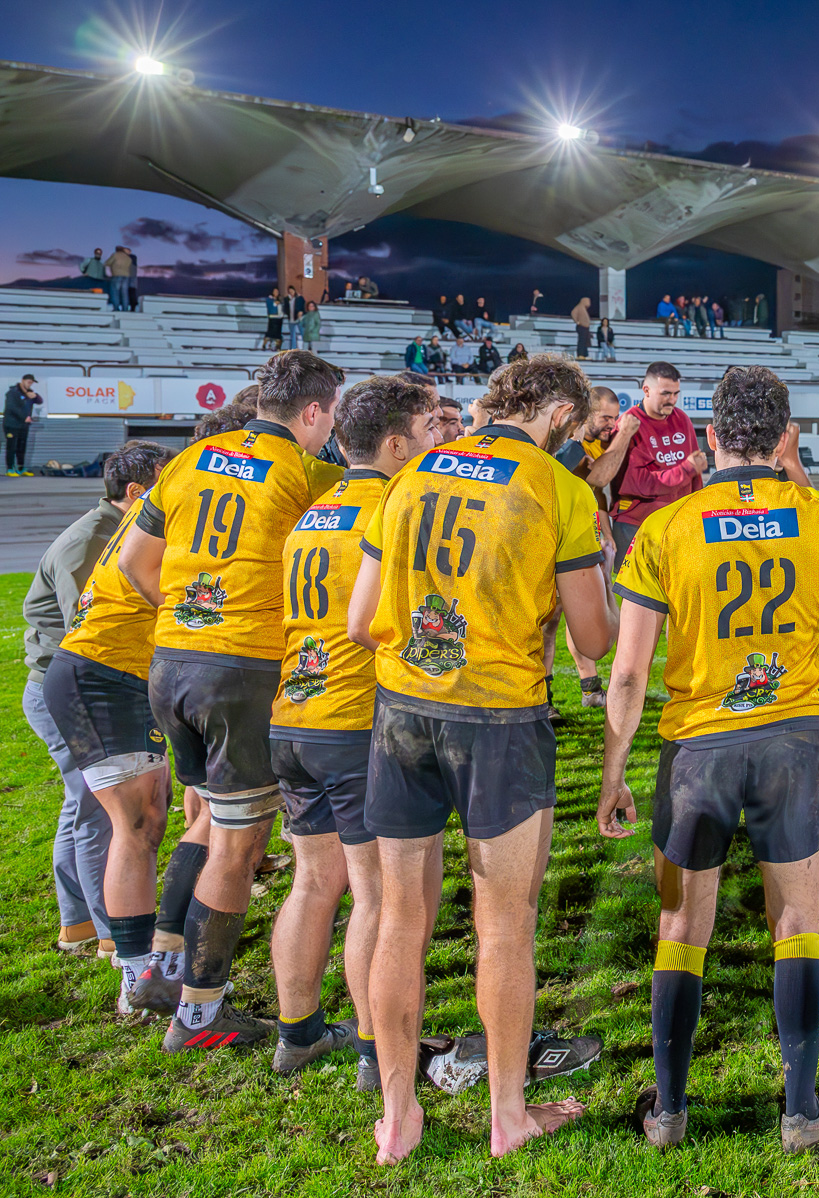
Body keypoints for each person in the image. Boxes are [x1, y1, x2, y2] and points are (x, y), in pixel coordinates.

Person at [349, 354, 613, 1163]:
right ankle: (507, 1114)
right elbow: (593, 638)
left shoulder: (414, 472)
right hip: (498, 715)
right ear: (561, 417)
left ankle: (398, 1115)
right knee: (505, 925)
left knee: (399, 915)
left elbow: (362, 622)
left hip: (402, 709)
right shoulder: (559, 487)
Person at [599, 365, 819, 1152]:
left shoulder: (668, 528)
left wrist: (613, 773)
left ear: (711, 436)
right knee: (798, 920)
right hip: (790, 739)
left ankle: (670, 1112)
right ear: (784, 436)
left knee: (681, 922)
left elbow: (629, 671)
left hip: (696, 747)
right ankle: (802, 1111)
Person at [115, 350, 346, 1048]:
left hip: (172, 662)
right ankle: (200, 1014)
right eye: (328, 413)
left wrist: (190, 622)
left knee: (210, 824)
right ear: (314, 412)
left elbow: (133, 563)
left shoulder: (193, 459)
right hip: (240, 669)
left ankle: (165, 963)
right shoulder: (307, 474)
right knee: (238, 849)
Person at [268, 376, 439, 1088]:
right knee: (378, 897)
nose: (440, 442)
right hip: (352, 721)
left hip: (293, 712)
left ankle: (298, 1031)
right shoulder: (395, 506)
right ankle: (378, 1051)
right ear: (395, 444)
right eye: (430, 430)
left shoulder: (319, 506)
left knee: (313, 882)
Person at [35, 443, 173, 991]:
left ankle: (86, 928)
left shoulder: (128, 521)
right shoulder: (101, 535)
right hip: (93, 676)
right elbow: (86, 620)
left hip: (102, 676)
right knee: (118, 819)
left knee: (118, 814)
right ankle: (124, 951)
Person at [553, 386, 628, 708]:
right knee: (553, 617)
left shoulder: (596, 442)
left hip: (590, 529)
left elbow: (596, 497)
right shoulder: (567, 447)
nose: (612, 424)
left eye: (615, 418)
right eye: (606, 417)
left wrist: (605, 529)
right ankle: (544, 694)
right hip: (561, 534)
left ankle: (590, 688)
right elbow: (595, 480)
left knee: (584, 609)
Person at [609, 363, 704, 561]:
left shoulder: (682, 419)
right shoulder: (628, 424)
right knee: (629, 591)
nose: (672, 400)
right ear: (646, 390)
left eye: (676, 393)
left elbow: (696, 477)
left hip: (676, 523)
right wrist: (686, 469)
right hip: (637, 524)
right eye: (666, 393)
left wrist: (696, 513)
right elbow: (637, 483)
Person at [6, 373, 41, 475]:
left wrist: (35, 395)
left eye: (31, 383)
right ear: (23, 381)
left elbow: (39, 401)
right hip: (12, 425)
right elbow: (11, 408)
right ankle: (10, 469)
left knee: (21, 447)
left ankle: (21, 468)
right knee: (11, 447)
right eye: (29, 382)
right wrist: (24, 417)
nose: (30, 385)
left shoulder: (28, 393)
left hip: (23, 426)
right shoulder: (13, 392)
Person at [106, 245, 133, 311]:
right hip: (126, 276)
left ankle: (116, 308)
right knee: (124, 293)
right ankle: (125, 309)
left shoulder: (115, 255)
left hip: (116, 275)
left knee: (115, 292)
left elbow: (107, 263)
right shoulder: (128, 257)